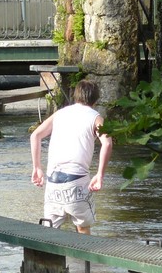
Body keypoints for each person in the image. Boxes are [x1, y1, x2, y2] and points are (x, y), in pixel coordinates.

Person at [30, 79, 113, 235]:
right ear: (95, 100)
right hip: (77, 180)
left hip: (53, 181)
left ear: (76, 96)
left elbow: (35, 135)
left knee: (50, 232)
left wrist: (37, 168)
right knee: (82, 229)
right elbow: (107, 143)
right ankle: (84, 259)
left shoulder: (60, 114)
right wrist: (100, 175)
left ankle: (49, 259)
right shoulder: (95, 117)